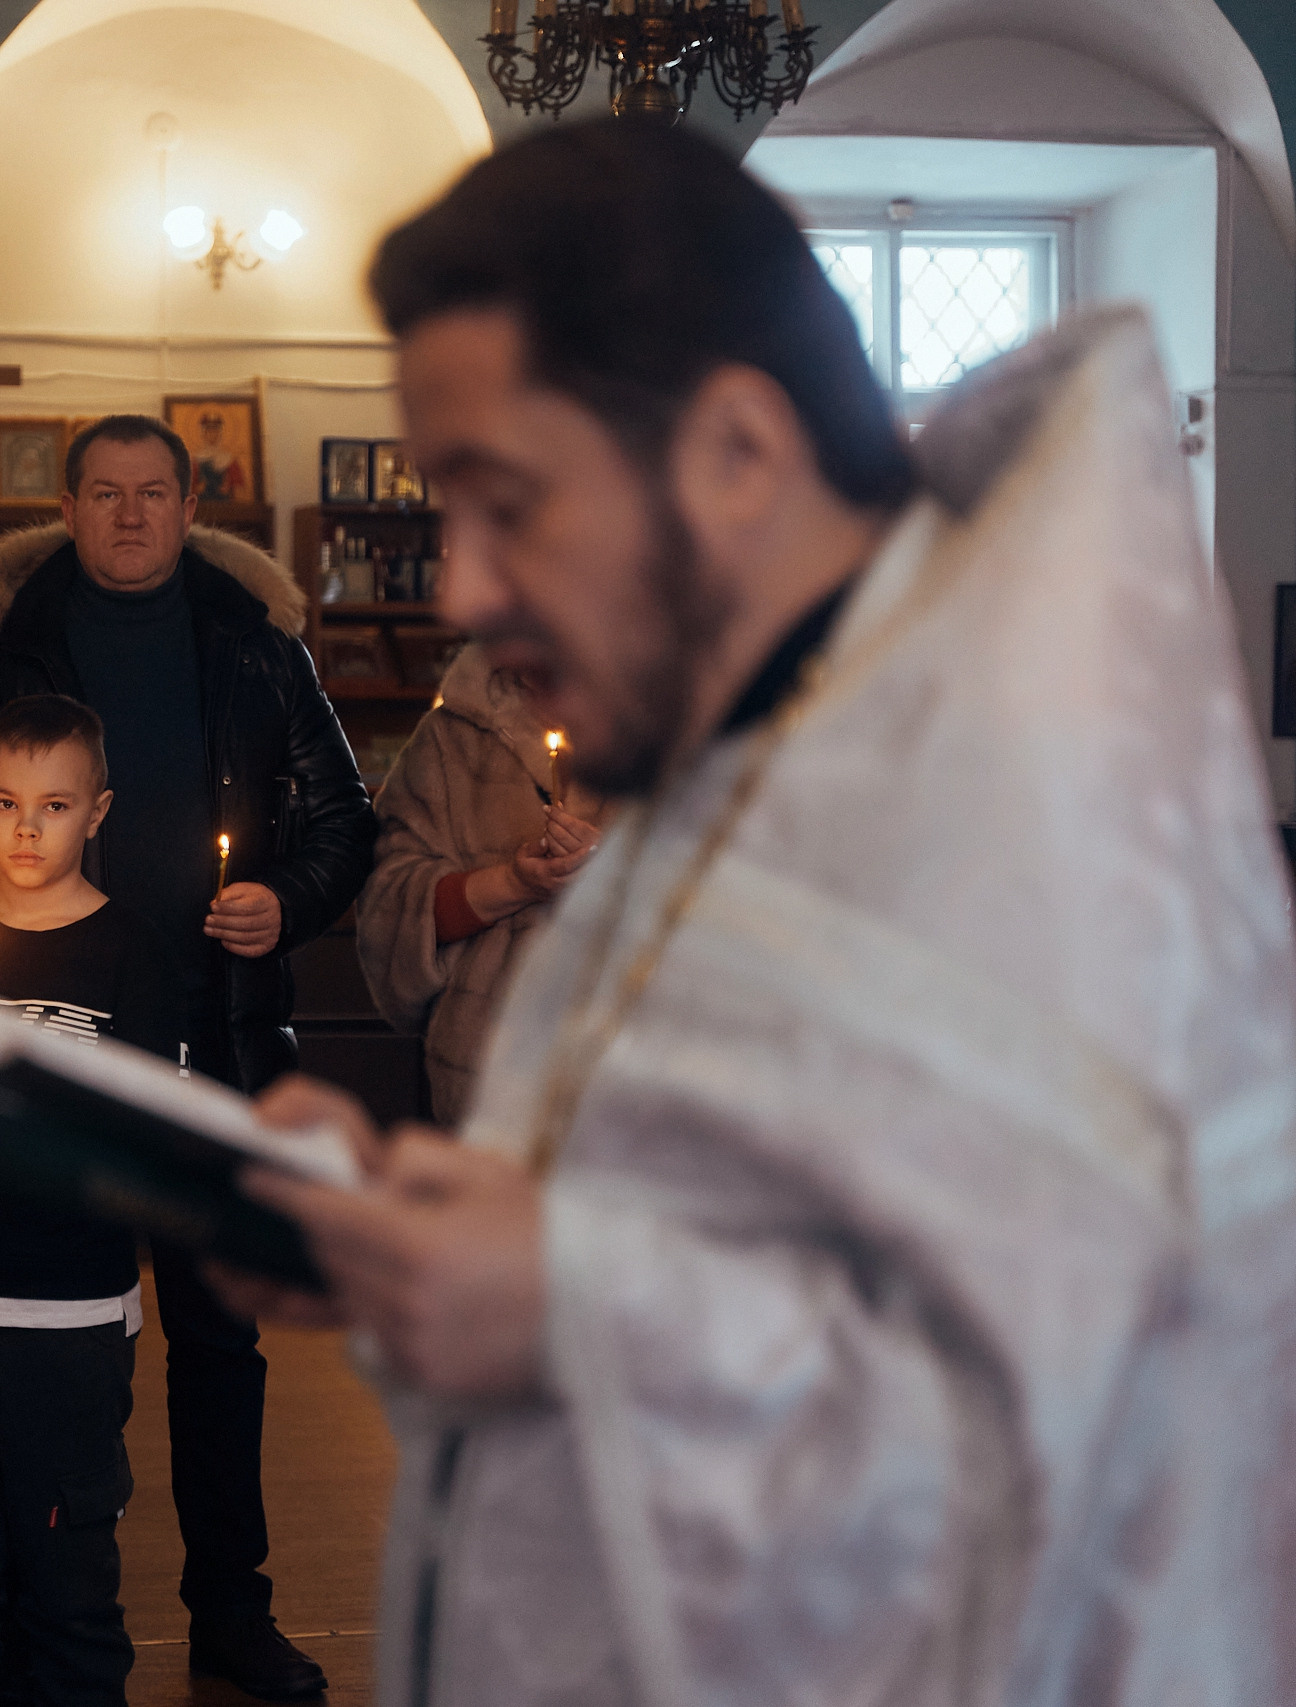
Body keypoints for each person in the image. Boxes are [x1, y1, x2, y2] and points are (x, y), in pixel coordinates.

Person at [224, 121, 1296, 1706]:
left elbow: (1089, 1477)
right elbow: (747, 1262)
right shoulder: (733, 750)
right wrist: (430, 1245)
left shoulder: (1031, 815)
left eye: (504, 499)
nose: (461, 587)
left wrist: (573, 1303)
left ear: (735, 450)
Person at [0, 414, 376, 1699]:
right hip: (52, 1035)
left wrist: (284, 898)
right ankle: (25, 1614)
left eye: (152, 494)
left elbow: (346, 818)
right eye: (104, 494)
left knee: (220, 1345)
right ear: (65, 507)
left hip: (216, 1039)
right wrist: (17, 937)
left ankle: (231, 1613)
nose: (128, 516)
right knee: (32, 1340)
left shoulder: (252, 643)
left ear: (189, 507)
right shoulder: (3, 643)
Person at [0, 694, 181, 1707]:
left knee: (64, 1581)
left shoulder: (132, 958)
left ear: (95, 811)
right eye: (4, 803)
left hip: (64, 1315)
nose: (24, 828)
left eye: (52, 807)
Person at [354, 646, 602, 1127]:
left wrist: (612, 868)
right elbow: (389, 904)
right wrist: (513, 882)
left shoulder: (695, 724)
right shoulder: (456, 734)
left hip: (642, 1086)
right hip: (487, 1081)